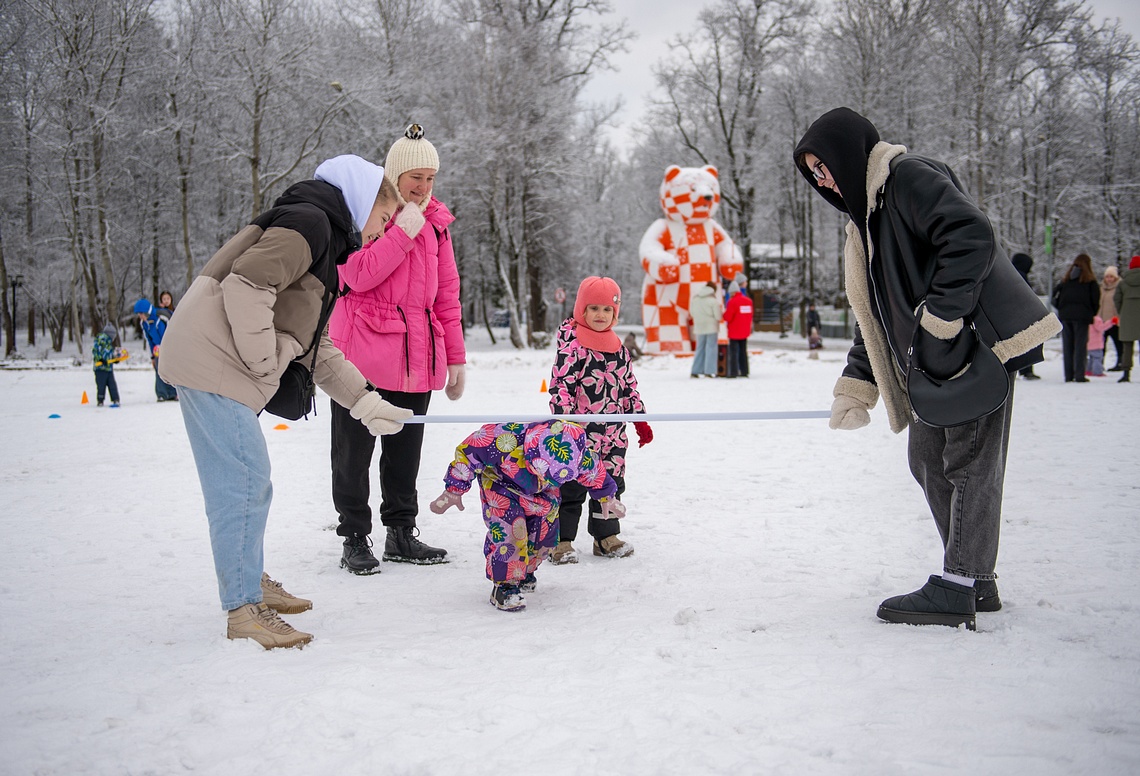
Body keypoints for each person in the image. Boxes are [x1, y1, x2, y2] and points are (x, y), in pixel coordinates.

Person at [794, 107, 1060, 631]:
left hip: (976, 347)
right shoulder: (864, 224)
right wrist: (857, 386)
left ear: (849, 154)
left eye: (825, 165)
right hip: (937, 358)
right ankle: (974, 581)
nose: (823, 179)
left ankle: (959, 582)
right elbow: (875, 316)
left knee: (968, 461)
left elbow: (971, 235)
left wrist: (943, 317)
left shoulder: (907, 178)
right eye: (813, 173)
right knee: (928, 459)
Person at [159, 154, 413, 649]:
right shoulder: (311, 221)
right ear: (365, 199)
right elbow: (247, 284)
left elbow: (315, 346)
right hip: (212, 362)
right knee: (244, 483)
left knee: (248, 482)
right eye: (384, 217)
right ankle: (242, 607)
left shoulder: (321, 235)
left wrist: (364, 401)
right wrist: (262, 364)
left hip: (213, 359)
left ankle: (248, 583)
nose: (382, 231)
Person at [327, 125, 466, 574]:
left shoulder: (439, 224)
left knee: (406, 450)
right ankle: (353, 536)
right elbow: (356, 276)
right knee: (354, 452)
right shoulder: (366, 211)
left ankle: (401, 534)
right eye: (415, 178)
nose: (423, 188)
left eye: (430, 178)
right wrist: (402, 230)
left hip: (419, 356)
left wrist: (457, 357)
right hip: (362, 356)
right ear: (394, 176)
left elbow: (447, 295)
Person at [429, 420, 623, 611]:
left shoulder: (576, 452)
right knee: (511, 531)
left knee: (544, 533)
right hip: (501, 485)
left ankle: (525, 571)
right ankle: (505, 586)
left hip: (544, 490)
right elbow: (467, 452)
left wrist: (607, 497)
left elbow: (594, 472)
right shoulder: (503, 439)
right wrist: (454, 489)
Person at [548, 276, 651, 563]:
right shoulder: (573, 346)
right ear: (581, 309)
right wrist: (565, 424)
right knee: (571, 488)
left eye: (607, 310)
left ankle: (605, 537)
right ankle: (562, 541)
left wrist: (639, 418)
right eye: (593, 308)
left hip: (613, 436)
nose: (600, 316)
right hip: (578, 436)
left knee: (611, 486)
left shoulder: (619, 347)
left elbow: (629, 385)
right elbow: (561, 387)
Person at [1051, 253, 1100, 383]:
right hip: (1082, 317)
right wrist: (1091, 313)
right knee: (1080, 346)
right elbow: (1096, 300)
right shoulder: (1090, 282)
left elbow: (1053, 295)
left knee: (1067, 346)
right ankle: (1079, 375)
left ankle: (1068, 375)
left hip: (1066, 316)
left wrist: (1061, 307)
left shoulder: (1066, 280)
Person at [134, 298, 178, 402]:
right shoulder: (144, 323)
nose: (140, 316)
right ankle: (161, 394)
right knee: (159, 371)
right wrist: (152, 357)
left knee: (169, 371)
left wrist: (166, 349)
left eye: (141, 313)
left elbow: (167, 335)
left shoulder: (160, 320)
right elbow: (149, 340)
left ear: (147, 312)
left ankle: (173, 393)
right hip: (157, 351)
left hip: (168, 348)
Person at [1010, 253, 1041, 380]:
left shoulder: (1010, 274)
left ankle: (1020, 368)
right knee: (1027, 342)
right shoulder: (1020, 276)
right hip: (1021, 314)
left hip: (1010, 314)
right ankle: (1026, 369)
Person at [1113, 255, 1140, 383]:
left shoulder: (1123, 283)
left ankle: (1126, 373)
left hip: (1127, 318)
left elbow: (1116, 300)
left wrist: (1122, 312)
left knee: (1127, 347)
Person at [689, 282, 722, 377]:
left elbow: (692, 313)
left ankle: (696, 370)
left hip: (699, 327)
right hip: (711, 327)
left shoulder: (695, 299)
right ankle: (709, 371)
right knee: (711, 348)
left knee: (700, 348)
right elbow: (718, 316)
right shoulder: (713, 301)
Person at [723, 280, 753, 377]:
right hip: (745, 331)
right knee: (743, 351)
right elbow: (750, 315)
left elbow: (728, 317)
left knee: (734, 352)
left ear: (732, 292)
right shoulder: (748, 301)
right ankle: (744, 371)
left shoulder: (732, 302)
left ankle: (733, 372)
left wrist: (723, 314)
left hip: (734, 331)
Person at [92, 323, 123, 408]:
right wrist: (100, 359)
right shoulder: (100, 339)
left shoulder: (109, 342)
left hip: (108, 368)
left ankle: (115, 399)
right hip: (100, 368)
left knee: (112, 384)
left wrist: (114, 359)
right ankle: (100, 400)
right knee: (101, 385)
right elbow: (96, 351)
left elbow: (109, 353)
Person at [1100, 266, 1124, 371]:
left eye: (1111, 276)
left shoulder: (1120, 287)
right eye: (1107, 277)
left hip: (1114, 320)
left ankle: (1120, 362)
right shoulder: (1101, 288)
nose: (1109, 279)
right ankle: (1099, 363)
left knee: (1118, 342)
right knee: (1101, 344)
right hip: (1102, 321)